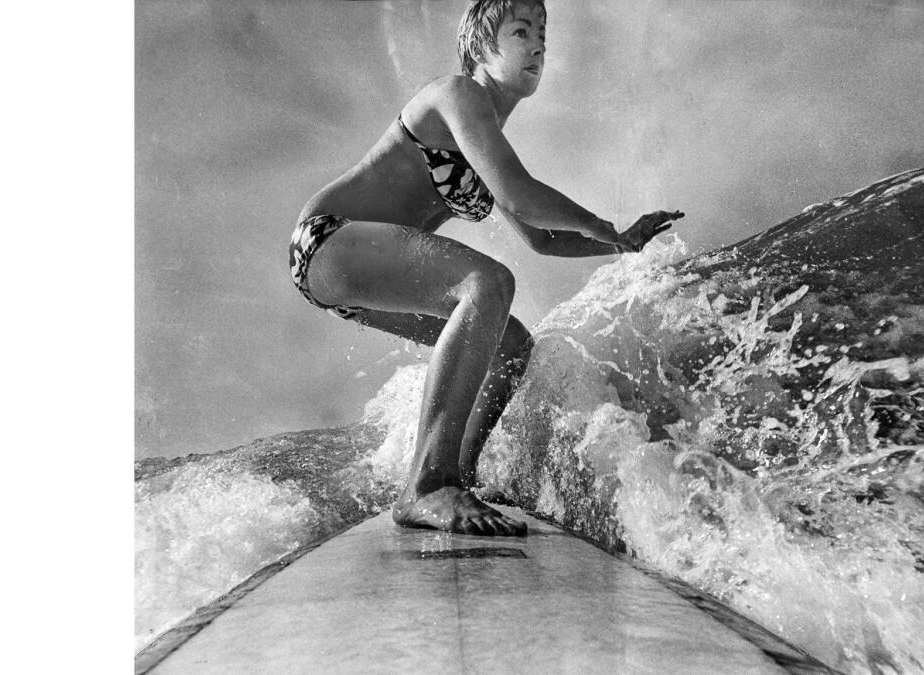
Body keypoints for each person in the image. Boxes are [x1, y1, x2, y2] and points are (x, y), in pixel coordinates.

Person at [290, 0, 683, 537]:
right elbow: (519, 196)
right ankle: (426, 485)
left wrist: (619, 243)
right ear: (480, 47)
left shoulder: (485, 135)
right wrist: (602, 224)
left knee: (511, 346)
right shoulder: (457, 95)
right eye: (522, 31)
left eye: (542, 34)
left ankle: (457, 476)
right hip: (327, 242)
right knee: (488, 284)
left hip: (354, 278)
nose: (539, 45)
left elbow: (542, 239)